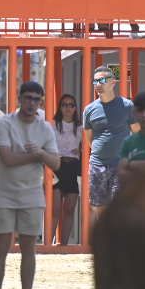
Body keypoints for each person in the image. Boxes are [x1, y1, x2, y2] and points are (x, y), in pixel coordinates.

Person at [0, 81, 59, 289]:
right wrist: (36, 155)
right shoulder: (4, 123)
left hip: (32, 194)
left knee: (29, 248)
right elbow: (7, 159)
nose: (31, 103)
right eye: (27, 98)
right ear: (19, 98)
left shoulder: (45, 128)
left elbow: (56, 163)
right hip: (4, 193)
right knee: (1, 248)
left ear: (41, 102)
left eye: (36, 99)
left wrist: (40, 154)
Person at [82, 64, 132, 221]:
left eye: (103, 80)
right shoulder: (89, 110)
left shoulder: (127, 106)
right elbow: (89, 138)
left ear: (113, 83)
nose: (98, 84)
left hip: (120, 164)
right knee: (99, 207)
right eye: (95, 81)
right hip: (97, 165)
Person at [51, 94, 82, 246]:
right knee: (54, 210)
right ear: (60, 107)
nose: (68, 108)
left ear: (75, 108)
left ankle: (63, 246)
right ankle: (48, 244)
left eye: (71, 105)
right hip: (56, 166)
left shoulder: (80, 127)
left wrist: (81, 151)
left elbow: (87, 146)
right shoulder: (53, 125)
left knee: (69, 209)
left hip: (73, 167)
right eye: (64, 104)